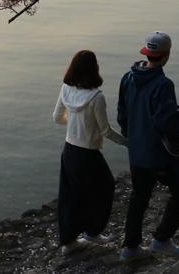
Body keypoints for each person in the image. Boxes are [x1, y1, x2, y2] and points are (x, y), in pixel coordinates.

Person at [117, 31, 179, 261]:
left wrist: (133, 137)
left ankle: (130, 248)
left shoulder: (127, 78)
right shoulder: (163, 83)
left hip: (136, 151)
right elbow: (164, 121)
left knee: (139, 197)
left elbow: (122, 115)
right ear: (166, 54)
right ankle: (161, 240)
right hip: (158, 153)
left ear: (146, 52)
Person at [53, 50, 126, 256]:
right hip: (87, 154)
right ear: (94, 68)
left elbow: (57, 118)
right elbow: (105, 131)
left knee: (70, 195)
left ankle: (69, 242)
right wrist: (128, 143)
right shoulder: (97, 96)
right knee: (105, 188)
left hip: (69, 151)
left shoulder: (66, 88)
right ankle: (92, 231)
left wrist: (75, 124)